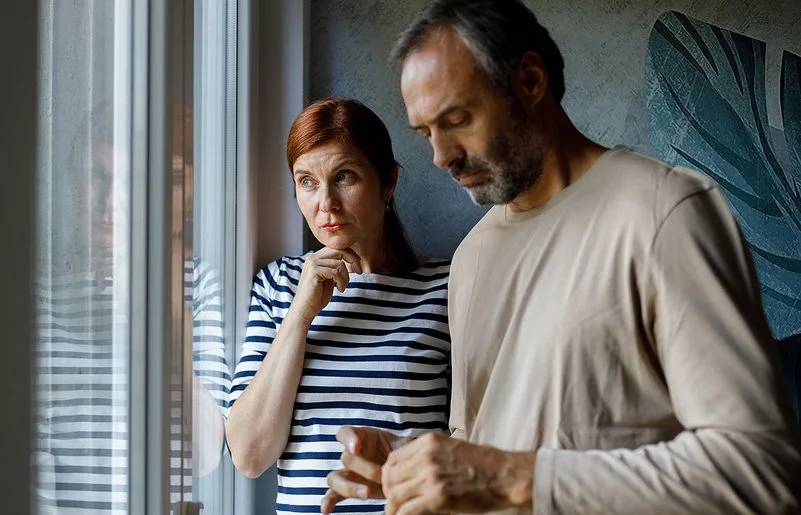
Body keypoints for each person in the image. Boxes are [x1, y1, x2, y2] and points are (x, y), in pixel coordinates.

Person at [322, 1, 801, 514]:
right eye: (425, 133)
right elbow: (486, 449)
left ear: (530, 81)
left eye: (456, 119)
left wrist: (512, 476)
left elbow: (760, 471)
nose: (441, 156)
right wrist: (410, 463)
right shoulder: (471, 260)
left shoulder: (666, 212)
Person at [225, 97, 452, 514]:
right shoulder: (278, 285)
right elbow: (249, 455)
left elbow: (479, 437)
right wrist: (300, 314)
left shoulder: (445, 288)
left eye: (344, 176)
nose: (325, 203)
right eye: (306, 181)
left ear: (388, 181)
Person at [33, 104, 231, 514]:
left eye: (129, 180)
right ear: (73, 182)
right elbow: (32, 457)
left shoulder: (198, 282)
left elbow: (208, 454)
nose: (110, 202)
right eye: (96, 175)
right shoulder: (43, 293)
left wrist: (151, 304)